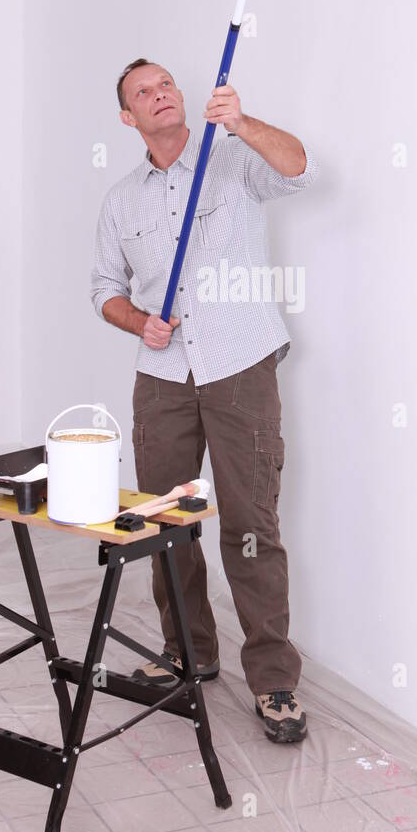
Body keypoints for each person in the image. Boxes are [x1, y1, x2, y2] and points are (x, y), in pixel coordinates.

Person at [90, 59, 318, 742]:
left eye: (165, 85)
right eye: (143, 93)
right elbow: (104, 288)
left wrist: (242, 122)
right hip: (162, 375)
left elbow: (302, 169)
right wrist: (139, 321)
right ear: (128, 118)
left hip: (241, 365)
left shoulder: (232, 160)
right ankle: (189, 654)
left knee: (251, 525)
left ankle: (274, 682)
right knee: (165, 524)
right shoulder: (122, 201)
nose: (160, 94)